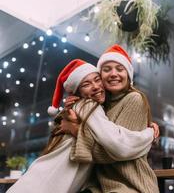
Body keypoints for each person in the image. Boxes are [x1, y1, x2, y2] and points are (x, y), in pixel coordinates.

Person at [7, 59, 158, 193]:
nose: (95, 87)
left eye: (96, 80)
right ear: (78, 92)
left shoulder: (104, 105)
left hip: (51, 178)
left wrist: (76, 129)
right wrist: (149, 134)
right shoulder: (89, 105)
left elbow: (114, 144)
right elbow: (117, 144)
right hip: (48, 179)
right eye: (86, 84)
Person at [63, 45, 160, 193]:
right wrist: (72, 110)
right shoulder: (100, 105)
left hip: (131, 186)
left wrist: (77, 131)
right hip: (100, 186)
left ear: (128, 75)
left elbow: (114, 152)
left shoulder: (134, 99)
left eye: (120, 69)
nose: (113, 74)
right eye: (107, 69)